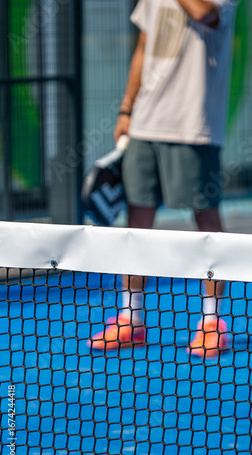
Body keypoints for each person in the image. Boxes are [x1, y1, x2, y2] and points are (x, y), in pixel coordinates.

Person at [88, 0, 237, 358]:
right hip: (143, 125)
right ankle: (131, 318)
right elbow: (144, 46)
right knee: (136, 224)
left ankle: (212, 323)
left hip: (193, 127)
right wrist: (127, 108)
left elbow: (205, 14)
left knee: (206, 224)